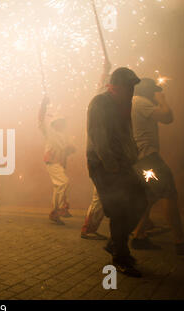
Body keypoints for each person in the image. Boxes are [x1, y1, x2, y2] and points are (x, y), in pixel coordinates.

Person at [87, 67, 147, 277]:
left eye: (133, 87)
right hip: (103, 164)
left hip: (123, 163)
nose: (132, 91)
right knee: (120, 208)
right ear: (116, 86)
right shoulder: (100, 103)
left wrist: (133, 155)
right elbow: (98, 137)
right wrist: (110, 164)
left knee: (141, 199)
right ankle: (120, 256)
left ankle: (116, 243)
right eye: (128, 86)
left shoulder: (123, 103)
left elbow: (125, 133)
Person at [130, 78, 184, 255]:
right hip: (148, 158)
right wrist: (162, 100)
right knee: (169, 193)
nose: (157, 93)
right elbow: (167, 117)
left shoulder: (132, 102)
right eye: (154, 90)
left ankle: (138, 236)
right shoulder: (141, 101)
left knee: (150, 196)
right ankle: (180, 242)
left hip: (140, 159)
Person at [81, 60, 111, 241]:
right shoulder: (100, 104)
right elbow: (100, 88)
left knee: (102, 195)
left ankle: (90, 228)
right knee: (100, 195)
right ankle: (88, 228)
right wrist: (106, 70)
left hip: (102, 156)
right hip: (99, 157)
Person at [38, 96, 76, 225]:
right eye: (60, 121)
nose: (62, 123)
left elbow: (67, 149)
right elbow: (41, 120)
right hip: (52, 162)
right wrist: (43, 104)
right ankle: (59, 209)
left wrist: (70, 149)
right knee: (63, 183)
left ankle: (55, 212)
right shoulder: (50, 131)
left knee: (58, 187)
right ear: (55, 123)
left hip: (59, 163)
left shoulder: (64, 136)